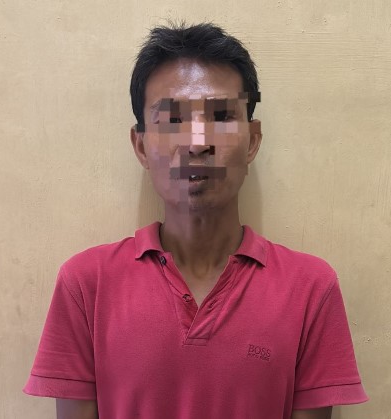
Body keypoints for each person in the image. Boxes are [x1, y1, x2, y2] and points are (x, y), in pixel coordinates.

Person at [24, 22, 368, 419]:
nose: (197, 143)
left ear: (253, 140)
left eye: (221, 116)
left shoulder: (310, 289)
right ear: (141, 145)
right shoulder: (87, 285)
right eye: (172, 120)